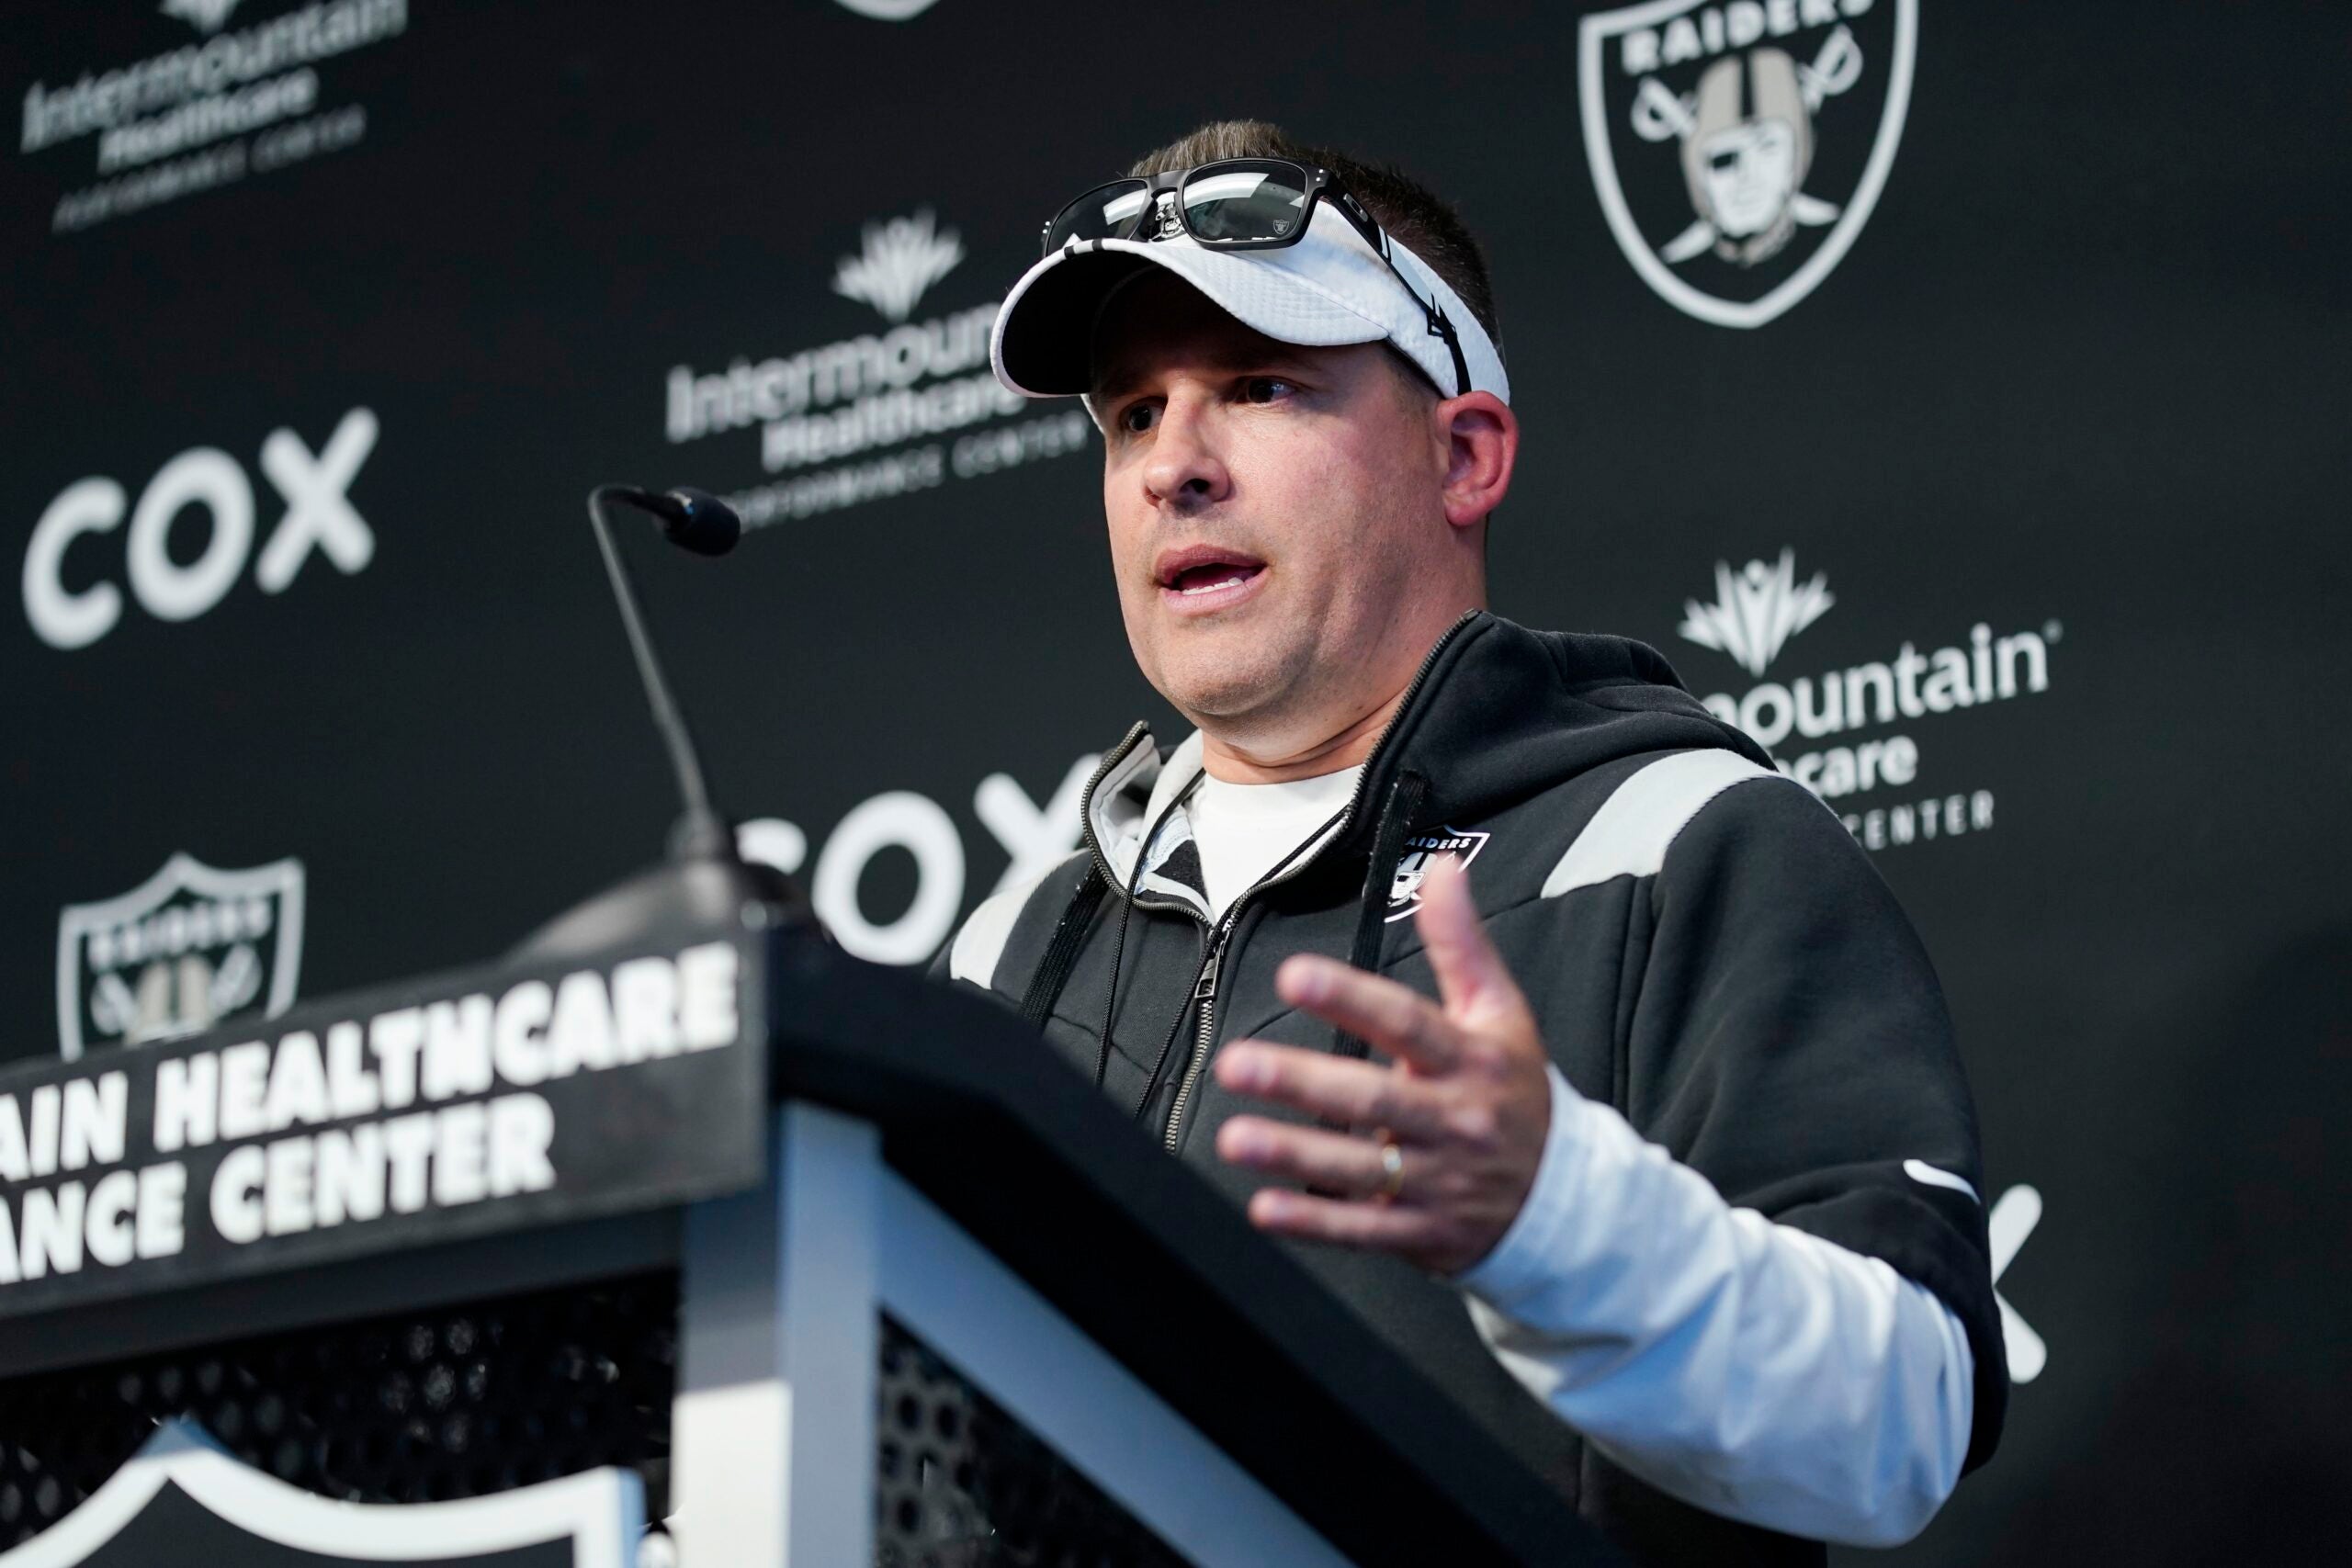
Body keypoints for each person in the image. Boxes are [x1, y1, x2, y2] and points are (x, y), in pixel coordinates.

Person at [941, 119, 2005, 1564]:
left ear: (1464, 455)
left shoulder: (1681, 839)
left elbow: (1906, 1417)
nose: (1169, 467)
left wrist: (1560, 1217)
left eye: (1259, 385)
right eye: (1131, 413)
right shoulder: (1013, 942)